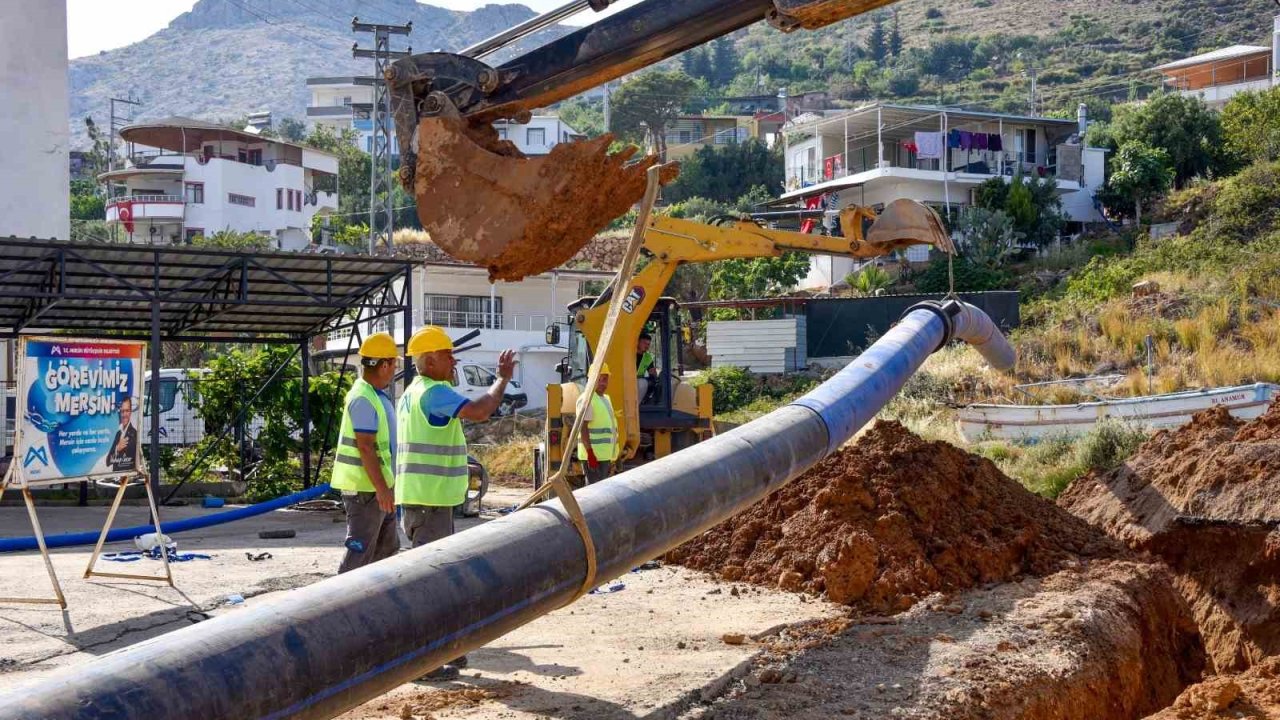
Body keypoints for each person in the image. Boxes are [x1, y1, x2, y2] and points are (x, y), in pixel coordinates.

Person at [397, 326, 516, 680]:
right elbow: (481, 410)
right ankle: (421, 662)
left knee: (439, 580)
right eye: (449, 355)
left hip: (427, 500)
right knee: (430, 585)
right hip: (429, 502)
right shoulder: (434, 393)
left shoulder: (413, 392)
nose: (454, 361)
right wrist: (502, 379)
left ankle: (444, 648)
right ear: (430, 360)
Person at [332, 332, 400, 575]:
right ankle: (340, 604)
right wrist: (382, 488)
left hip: (377, 489)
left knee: (386, 549)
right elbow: (365, 447)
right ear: (383, 365)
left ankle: (376, 601)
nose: (394, 369)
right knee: (359, 552)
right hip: (365, 491)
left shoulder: (373, 396)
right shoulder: (363, 398)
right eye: (394, 363)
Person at [576, 363, 619, 484]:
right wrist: (590, 454)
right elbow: (583, 428)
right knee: (593, 493)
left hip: (604, 456)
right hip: (593, 457)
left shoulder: (605, 399)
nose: (602, 383)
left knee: (600, 491)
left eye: (605, 379)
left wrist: (615, 454)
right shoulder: (587, 399)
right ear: (591, 380)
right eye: (598, 379)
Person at [106, 396, 139, 472]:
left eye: (127, 411)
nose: (124, 414)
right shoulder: (118, 433)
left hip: (126, 477)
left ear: (130, 412)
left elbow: (131, 461)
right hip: (117, 476)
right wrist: (117, 449)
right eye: (122, 411)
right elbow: (108, 461)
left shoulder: (134, 434)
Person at [636, 332, 659, 404]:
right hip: (628, 381)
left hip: (638, 382)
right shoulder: (629, 353)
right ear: (638, 342)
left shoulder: (648, 357)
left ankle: (637, 405)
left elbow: (652, 372)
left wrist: (654, 373)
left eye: (648, 344)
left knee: (643, 383)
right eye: (644, 343)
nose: (647, 346)